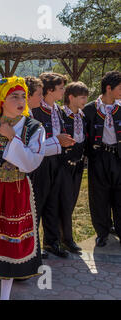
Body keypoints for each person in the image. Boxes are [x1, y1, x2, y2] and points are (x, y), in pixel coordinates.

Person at [0, 76, 45, 300]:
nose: (20, 100)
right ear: (2, 100)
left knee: (11, 244)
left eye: (23, 96)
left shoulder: (34, 128)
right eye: (14, 96)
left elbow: (32, 162)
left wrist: (13, 139)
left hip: (18, 191)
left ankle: (5, 296)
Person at [31, 72, 75, 258]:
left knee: (53, 202)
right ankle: (33, 247)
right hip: (41, 162)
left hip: (57, 160)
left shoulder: (57, 109)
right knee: (38, 203)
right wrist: (57, 140)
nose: (63, 91)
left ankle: (52, 242)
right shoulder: (35, 109)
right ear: (50, 90)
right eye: (61, 88)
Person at [83, 71, 121, 247]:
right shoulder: (90, 109)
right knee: (99, 195)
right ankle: (102, 231)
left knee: (119, 194)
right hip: (99, 157)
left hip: (118, 156)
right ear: (109, 88)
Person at [56, 81, 89, 254]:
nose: (85, 100)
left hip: (78, 165)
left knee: (72, 202)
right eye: (82, 97)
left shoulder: (82, 116)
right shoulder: (61, 114)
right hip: (63, 165)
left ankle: (64, 237)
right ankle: (66, 239)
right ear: (71, 97)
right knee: (64, 203)